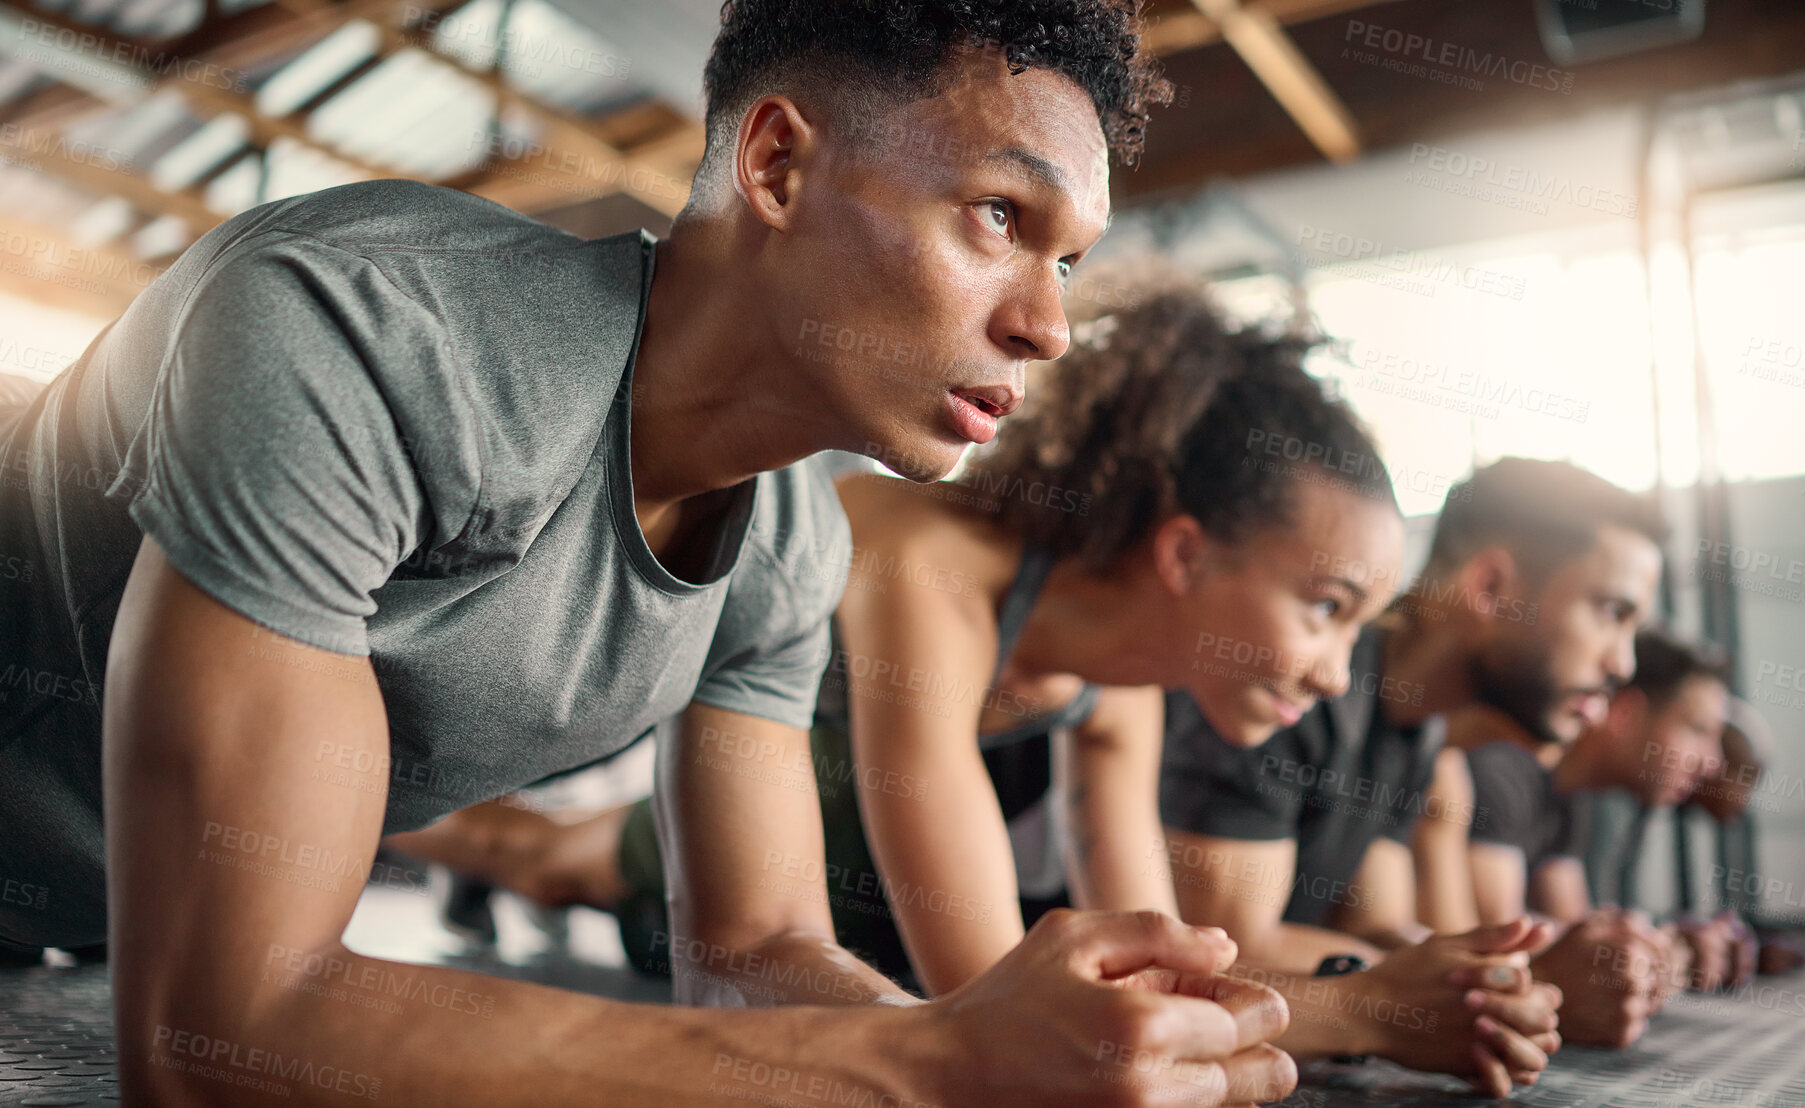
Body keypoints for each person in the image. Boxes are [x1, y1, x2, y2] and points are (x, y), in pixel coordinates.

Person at [0, 3, 1305, 1105]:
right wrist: (927, 1062)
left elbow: (754, 952)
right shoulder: (357, 332)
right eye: (998, 219)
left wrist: (1009, 1055)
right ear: (778, 166)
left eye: (1069, 261)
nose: (1049, 327)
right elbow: (219, 1030)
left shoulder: (788, 547)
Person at [392, 284, 1563, 1097]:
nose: (1331, 668)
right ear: (1183, 555)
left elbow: (1152, 969)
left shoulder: (1121, 680)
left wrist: (1406, 990)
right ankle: (377, 827)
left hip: (851, 928)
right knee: (548, 857)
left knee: (568, 861)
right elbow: (996, 988)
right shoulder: (931, 570)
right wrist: (1368, 1007)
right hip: (758, 825)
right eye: (1325, 607)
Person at [1163, 456, 1674, 1052]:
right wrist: (1511, 981)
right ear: (1490, 589)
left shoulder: (1422, 737)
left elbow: (1374, 929)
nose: (1624, 663)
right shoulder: (1293, 683)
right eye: (1612, 613)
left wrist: (1504, 970)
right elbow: (1233, 951)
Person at [1463, 630, 1758, 997]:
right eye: (1697, 729)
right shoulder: (1501, 771)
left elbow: (1579, 936)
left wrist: (1668, 945)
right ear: (1625, 713)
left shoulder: (1572, 800)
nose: (1713, 763)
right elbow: (1503, 943)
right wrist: (1664, 951)